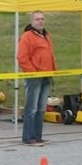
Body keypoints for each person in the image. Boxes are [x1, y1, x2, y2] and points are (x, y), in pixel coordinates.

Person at [17, 10, 56, 146]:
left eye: (42, 19)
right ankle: (28, 137)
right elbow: (22, 58)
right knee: (32, 109)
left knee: (41, 109)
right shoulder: (27, 37)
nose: (40, 21)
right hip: (34, 77)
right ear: (32, 21)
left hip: (46, 76)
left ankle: (38, 137)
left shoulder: (46, 35)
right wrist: (33, 72)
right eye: (37, 19)